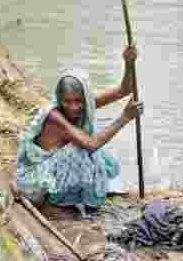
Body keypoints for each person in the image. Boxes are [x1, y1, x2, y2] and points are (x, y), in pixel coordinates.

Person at [13, 45, 144, 210]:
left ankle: (86, 190)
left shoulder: (85, 104)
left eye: (78, 101)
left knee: (89, 139)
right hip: (34, 182)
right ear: (59, 99)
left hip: (50, 171)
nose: (73, 107)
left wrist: (129, 63)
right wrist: (125, 117)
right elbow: (91, 145)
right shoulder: (55, 117)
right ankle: (66, 199)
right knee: (81, 148)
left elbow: (124, 90)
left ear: (85, 97)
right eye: (67, 101)